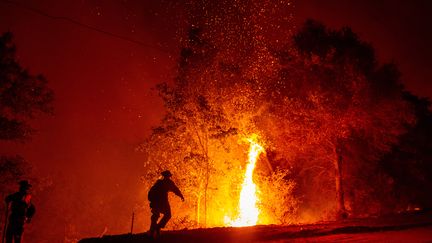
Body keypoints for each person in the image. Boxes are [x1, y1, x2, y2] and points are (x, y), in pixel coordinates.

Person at [148, 170, 184, 237]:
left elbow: (151, 192)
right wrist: (181, 196)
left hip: (155, 202)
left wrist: (151, 202)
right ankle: (157, 228)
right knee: (167, 215)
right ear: (168, 176)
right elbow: (175, 189)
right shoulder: (167, 182)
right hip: (162, 202)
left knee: (155, 216)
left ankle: (153, 232)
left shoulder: (158, 182)